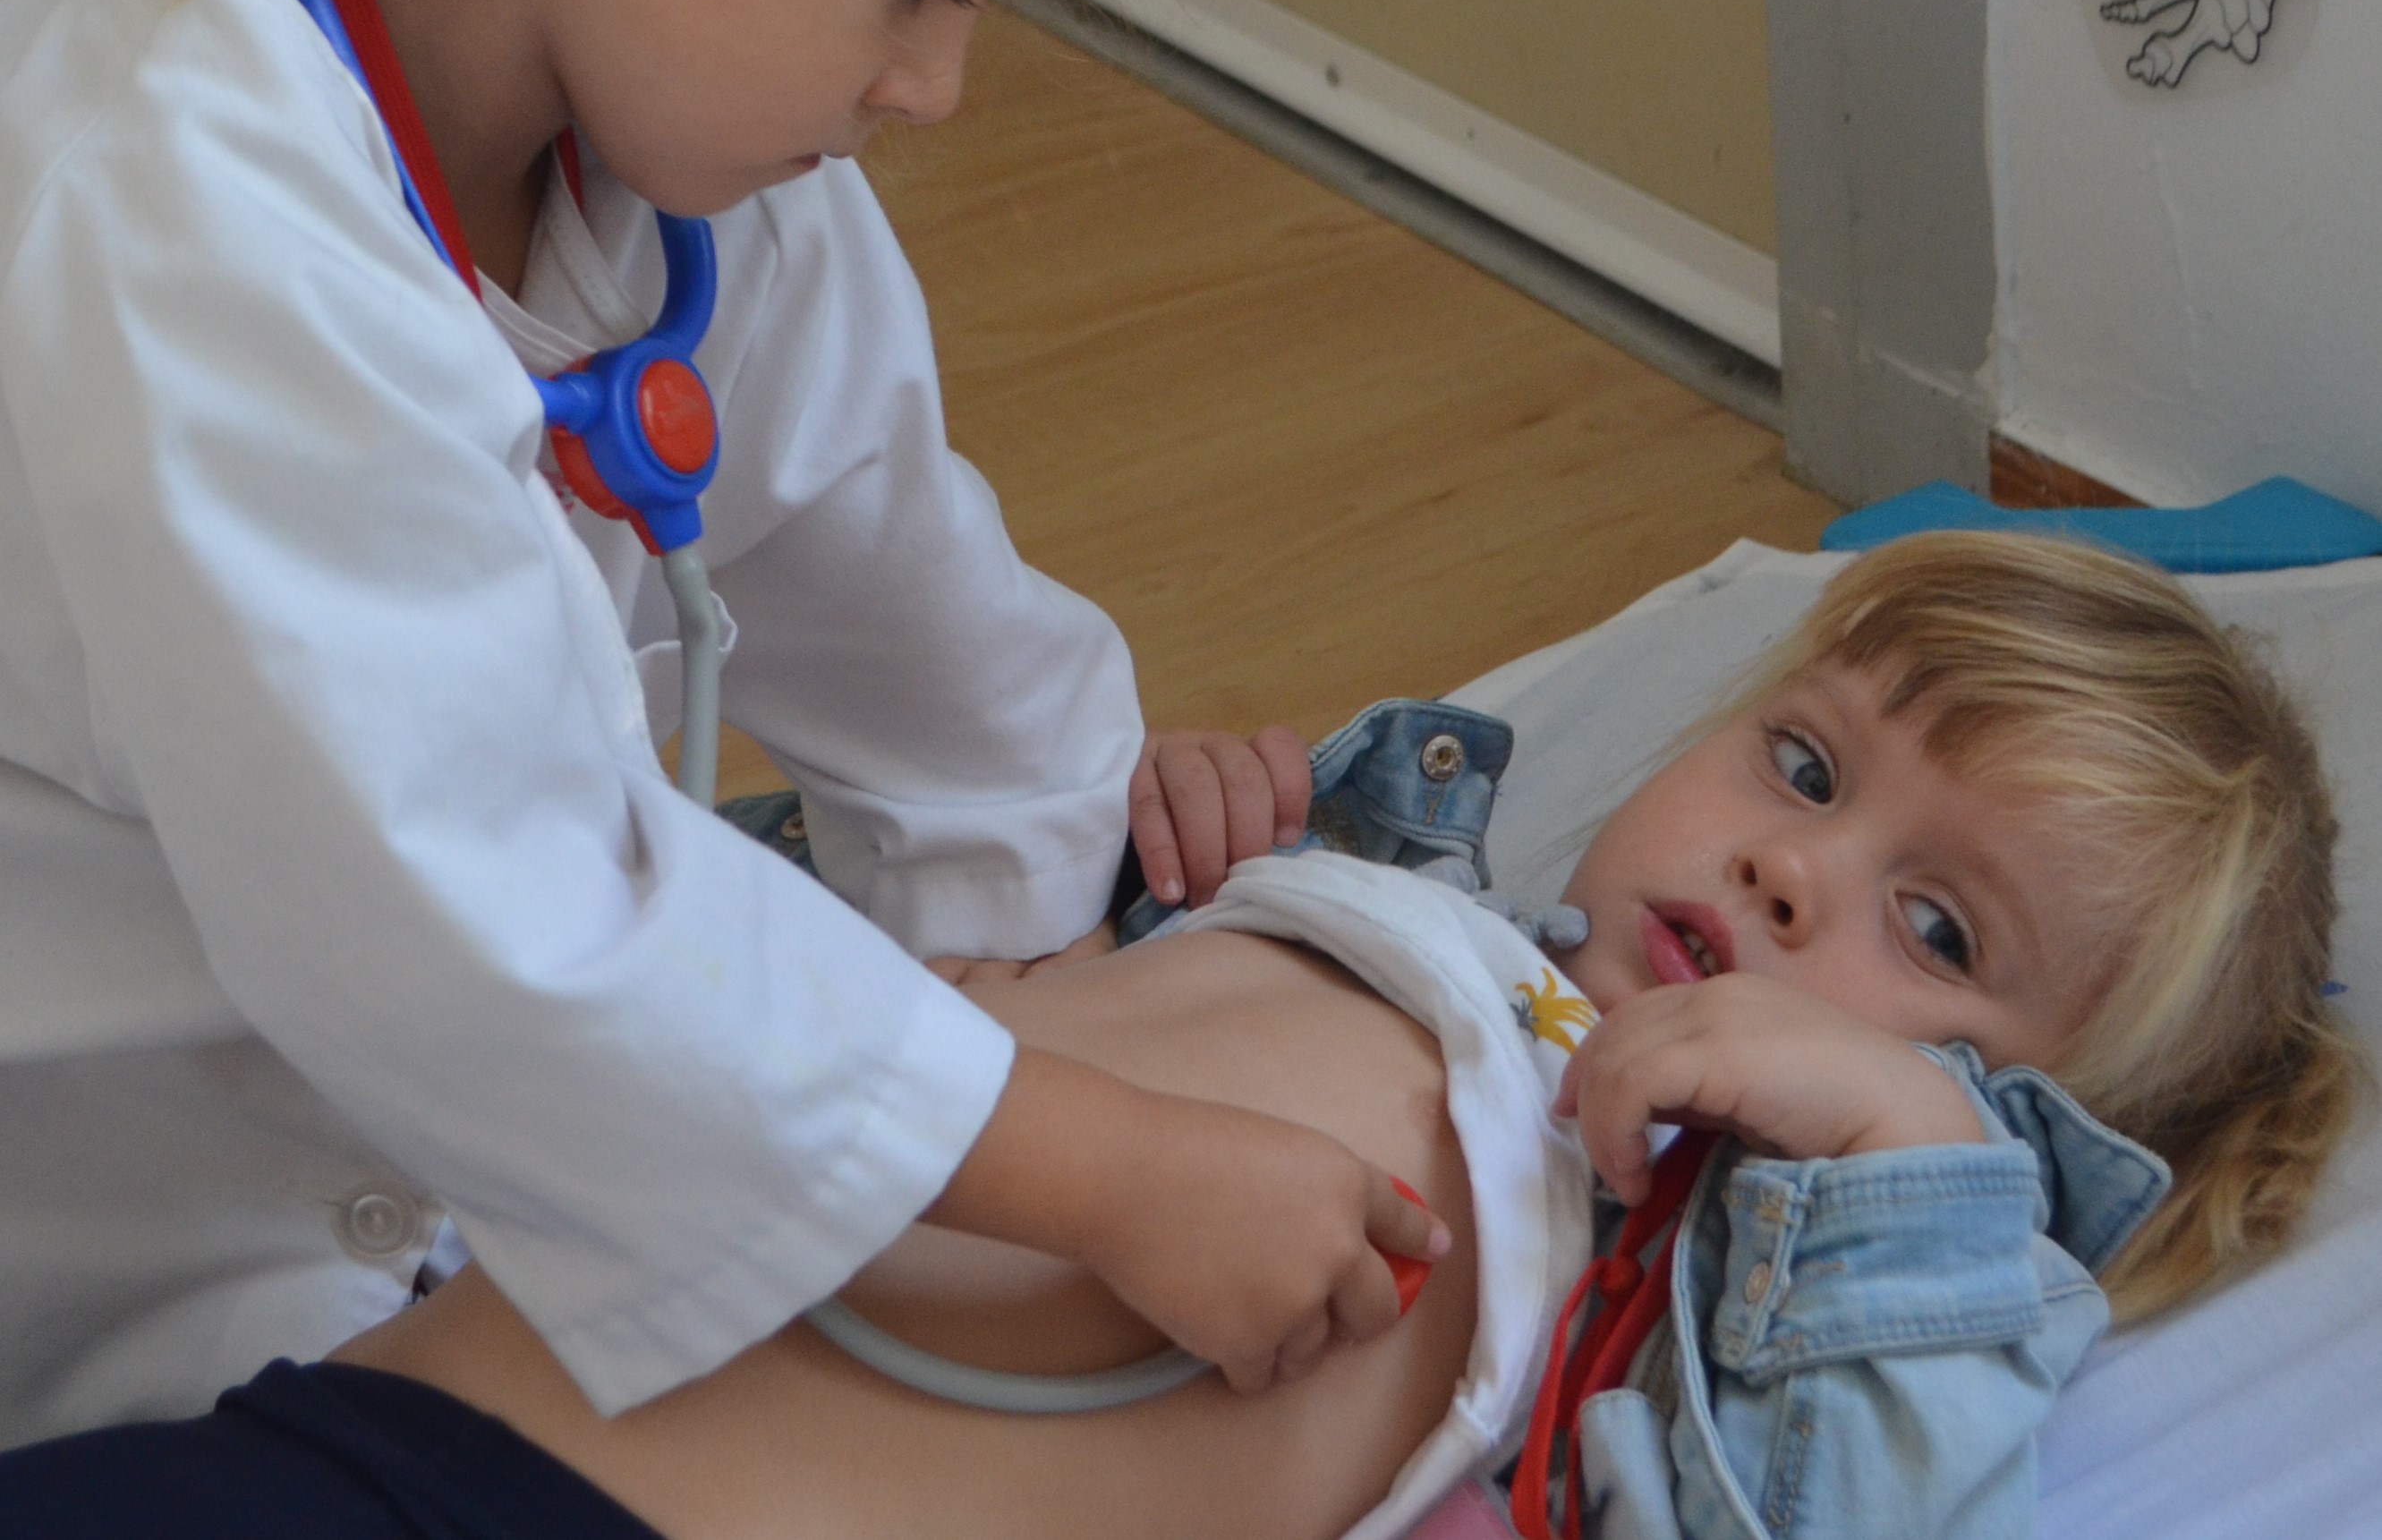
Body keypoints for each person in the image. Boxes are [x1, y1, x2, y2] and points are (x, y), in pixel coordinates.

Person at [0, 0, 1443, 1454]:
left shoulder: (696, 182)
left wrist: (1043, 982)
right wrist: (1096, 1162)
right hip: (95, 1251)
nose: (934, 85)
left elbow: (946, 668)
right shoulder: (168, 225)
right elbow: (498, 932)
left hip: (410, 1175)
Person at [3, 532, 2355, 1538]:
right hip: (385, 1400)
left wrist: (1897, 1160)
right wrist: (1165, 871)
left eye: (1929, 926)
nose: (1782, 875)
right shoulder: (1423, 903)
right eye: (1803, 765)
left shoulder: (1743, 1260)